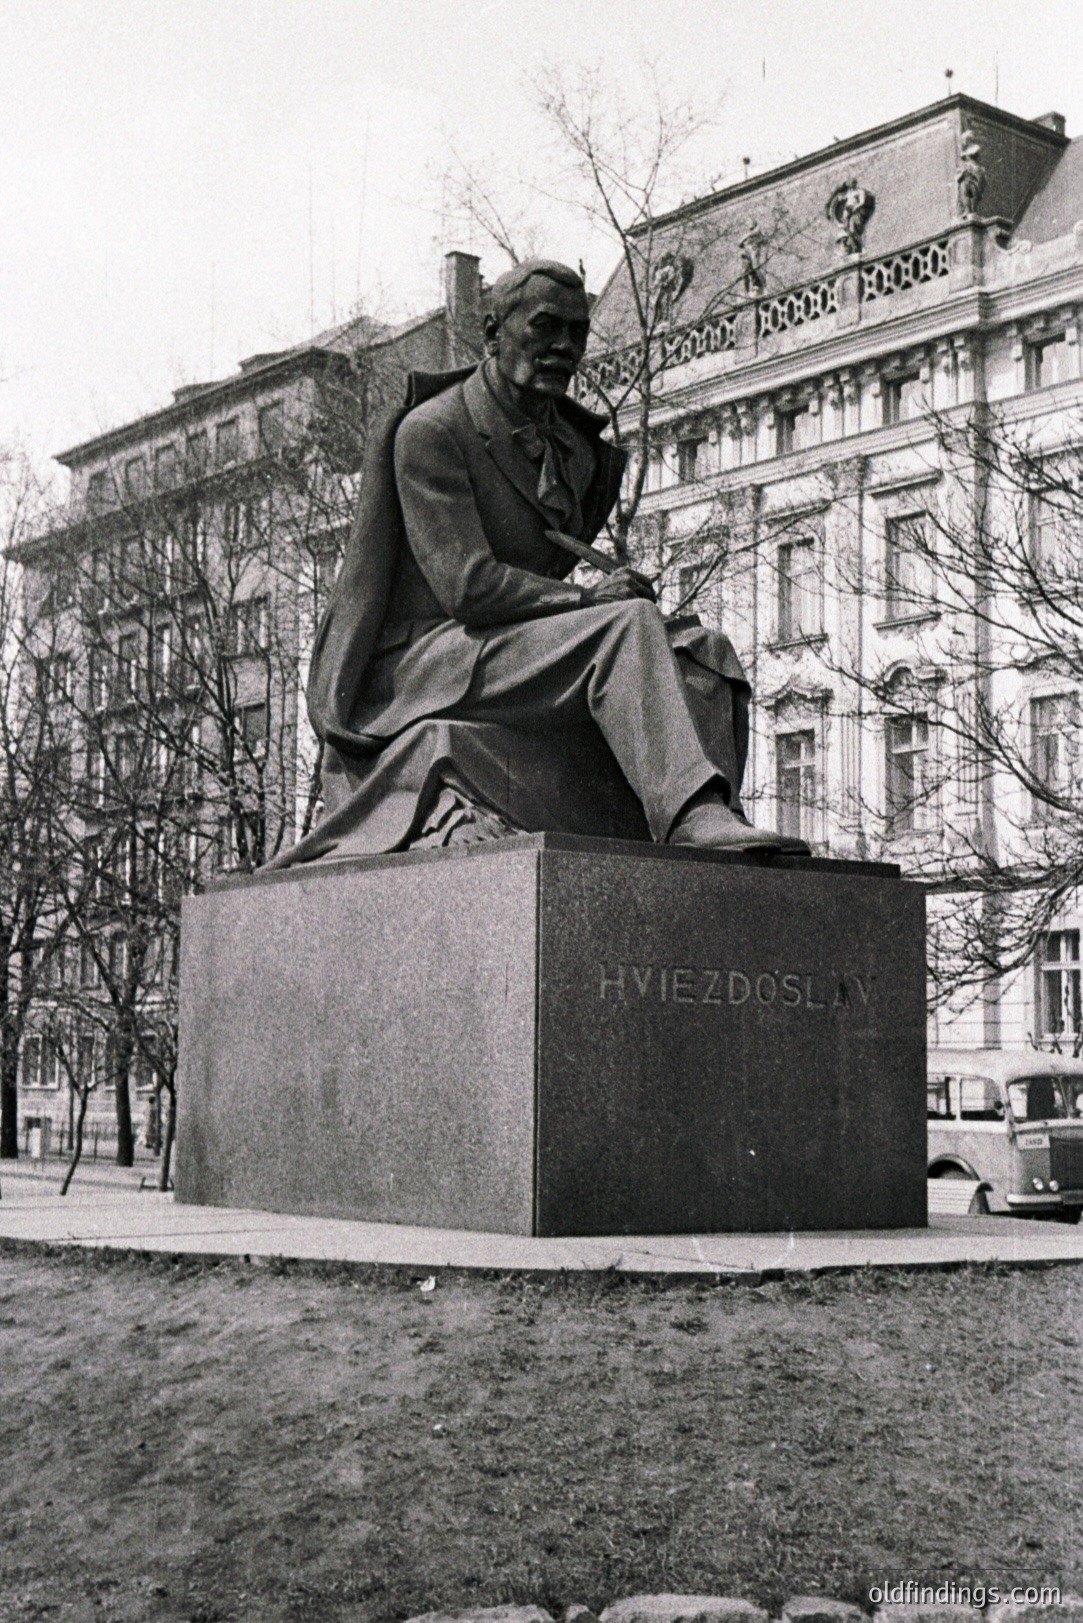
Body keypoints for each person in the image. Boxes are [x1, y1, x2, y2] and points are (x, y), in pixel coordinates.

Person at [282, 258, 805, 866]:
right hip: (427, 657)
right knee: (626, 625)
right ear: (493, 333)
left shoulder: (576, 451)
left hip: (506, 646)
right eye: (546, 327)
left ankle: (712, 819)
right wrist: (590, 601)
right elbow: (468, 586)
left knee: (702, 649)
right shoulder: (432, 431)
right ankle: (689, 813)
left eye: (577, 333)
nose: (564, 347)